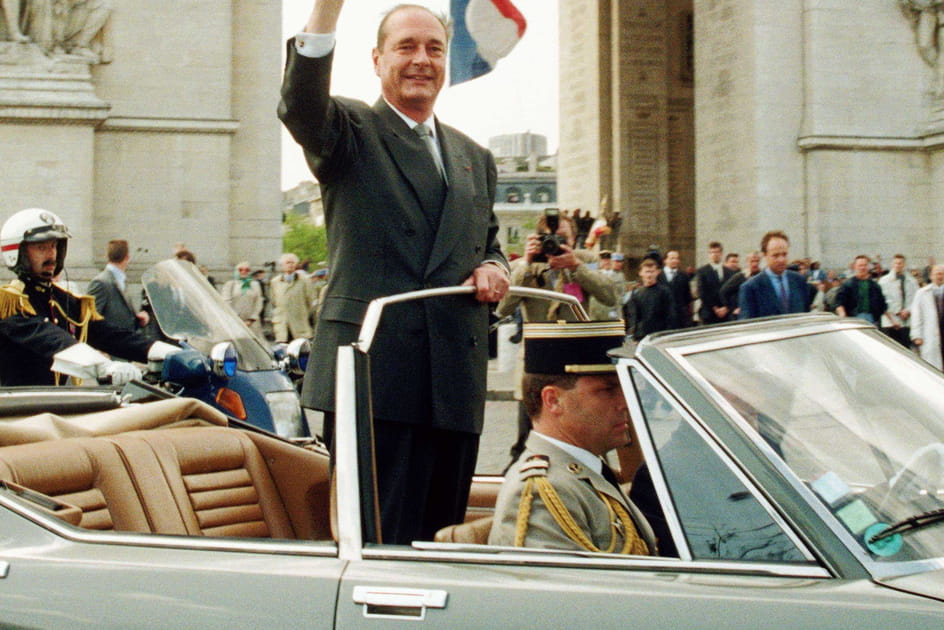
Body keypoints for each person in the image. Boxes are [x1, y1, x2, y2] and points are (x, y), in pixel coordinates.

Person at [279, 1, 509, 544]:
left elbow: (489, 242)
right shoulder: (352, 130)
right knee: (378, 547)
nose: (421, 60)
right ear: (377, 59)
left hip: (453, 380)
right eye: (406, 47)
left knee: (442, 545)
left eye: (434, 48)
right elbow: (300, 105)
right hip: (376, 377)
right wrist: (326, 13)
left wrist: (495, 266)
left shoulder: (475, 155)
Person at [488, 320, 657, 554]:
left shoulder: (585, 471)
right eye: (608, 390)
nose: (625, 403)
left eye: (623, 388)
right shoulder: (542, 491)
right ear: (554, 400)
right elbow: (560, 587)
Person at [0, 208, 174, 386]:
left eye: (54, 246)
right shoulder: (9, 303)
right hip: (17, 408)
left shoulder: (64, 300)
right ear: (18, 253)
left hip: (54, 405)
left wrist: (165, 352)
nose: (51, 254)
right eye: (41, 247)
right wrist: (104, 366)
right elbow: (51, 340)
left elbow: (108, 334)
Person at [495, 211, 614, 468]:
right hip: (536, 362)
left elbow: (610, 296)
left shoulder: (585, 260)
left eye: (564, 238)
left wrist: (576, 268)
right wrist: (525, 263)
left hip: (575, 362)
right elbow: (502, 308)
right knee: (526, 439)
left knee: (581, 434)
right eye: (551, 238)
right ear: (538, 239)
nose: (557, 245)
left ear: (574, 239)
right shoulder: (523, 267)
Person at [738, 231, 811, 319]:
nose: (781, 260)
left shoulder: (799, 281)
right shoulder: (751, 287)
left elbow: (806, 316)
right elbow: (747, 325)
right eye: (775, 255)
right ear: (764, 255)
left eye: (784, 254)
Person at [87, 239, 149, 335]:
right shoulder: (100, 282)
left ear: (107, 256)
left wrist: (138, 320)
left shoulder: (122, 280)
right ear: (127, 257)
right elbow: (91, 319)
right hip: (108, 345)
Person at [269, 252, 317, 344]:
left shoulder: (305, 281)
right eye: (287, 262)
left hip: (300, 325)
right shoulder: (275, 282)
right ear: (282, 265)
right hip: (282, 325)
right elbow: (273, 301)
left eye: (292, 262)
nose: (290, 265)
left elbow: (310, 301)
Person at [624, 259, 677, 341]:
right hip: (641, 336)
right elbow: (634, 317)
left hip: (659, 335)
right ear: (640, 273)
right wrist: (635, 335)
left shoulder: (665, 292)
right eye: (647, 272)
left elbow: (670, 315)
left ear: (657, 272)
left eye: (652, 272)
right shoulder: (636, 293)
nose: (649, 275)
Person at [835, 255, 892, 325]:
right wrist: (842, 316)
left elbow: (882, 305)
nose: (862, 268)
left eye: (865, 265)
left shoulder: (875, 285)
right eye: (860, 265)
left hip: (872, 320)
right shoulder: (848, 284)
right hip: (854, 319)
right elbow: (839, 303)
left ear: (868, 267)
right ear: (855, 267)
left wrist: (892, 321)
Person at [878, 254, 918, 348]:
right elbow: (882, 300)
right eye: (896, 263)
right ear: (892, 264)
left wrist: (908, 310)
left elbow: (916, 299)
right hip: (890, 321)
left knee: (905, 348)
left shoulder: (912, 281)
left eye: (900, 263)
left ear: (904, 265)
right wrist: (897, 311)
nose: (898, 265)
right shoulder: (884, 281)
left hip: (907, 320)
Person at [910, 264, 944, 370]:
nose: (940, 276)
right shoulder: (922, 293)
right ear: (931, 276)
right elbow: (916, 314)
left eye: (943, 274)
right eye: (937, 273)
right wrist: (916, 335)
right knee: (933, 365)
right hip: (930, 334)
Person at [220, 262, 264, 338]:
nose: (244, 272)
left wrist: (251, 319)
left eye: (247, 270)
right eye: (240, 270)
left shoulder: (255, 284)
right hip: (234, 322)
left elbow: (258, 302)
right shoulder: (230, 284)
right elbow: (226, 302)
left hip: (252, 323)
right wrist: (236, 320)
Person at [695, 241, 734, 324]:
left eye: (717, 252)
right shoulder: (702, 272)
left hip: (726, 314)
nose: (715, 254)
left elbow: (732, 292)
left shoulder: (729, 272)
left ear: (721, 253)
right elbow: (702, 292)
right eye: (712, 252)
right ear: (709, 254)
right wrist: (715, 308)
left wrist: (726, 308)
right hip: (709, 313)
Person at [720, 250, 761, 317]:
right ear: (747, 262)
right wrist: (732, 308)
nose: (755, 264)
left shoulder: (761, 276)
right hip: (744, 314)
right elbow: (724, 291)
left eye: (757, 261)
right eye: (752, 261)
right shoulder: (741, 276)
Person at [659, 249, 692, 327]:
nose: (675, 261)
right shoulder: (658, 276)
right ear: (665, 260)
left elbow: (687, 298)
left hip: (680, 318)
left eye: (677, 258)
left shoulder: (684, 276)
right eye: (672, 258)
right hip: (662, 317)